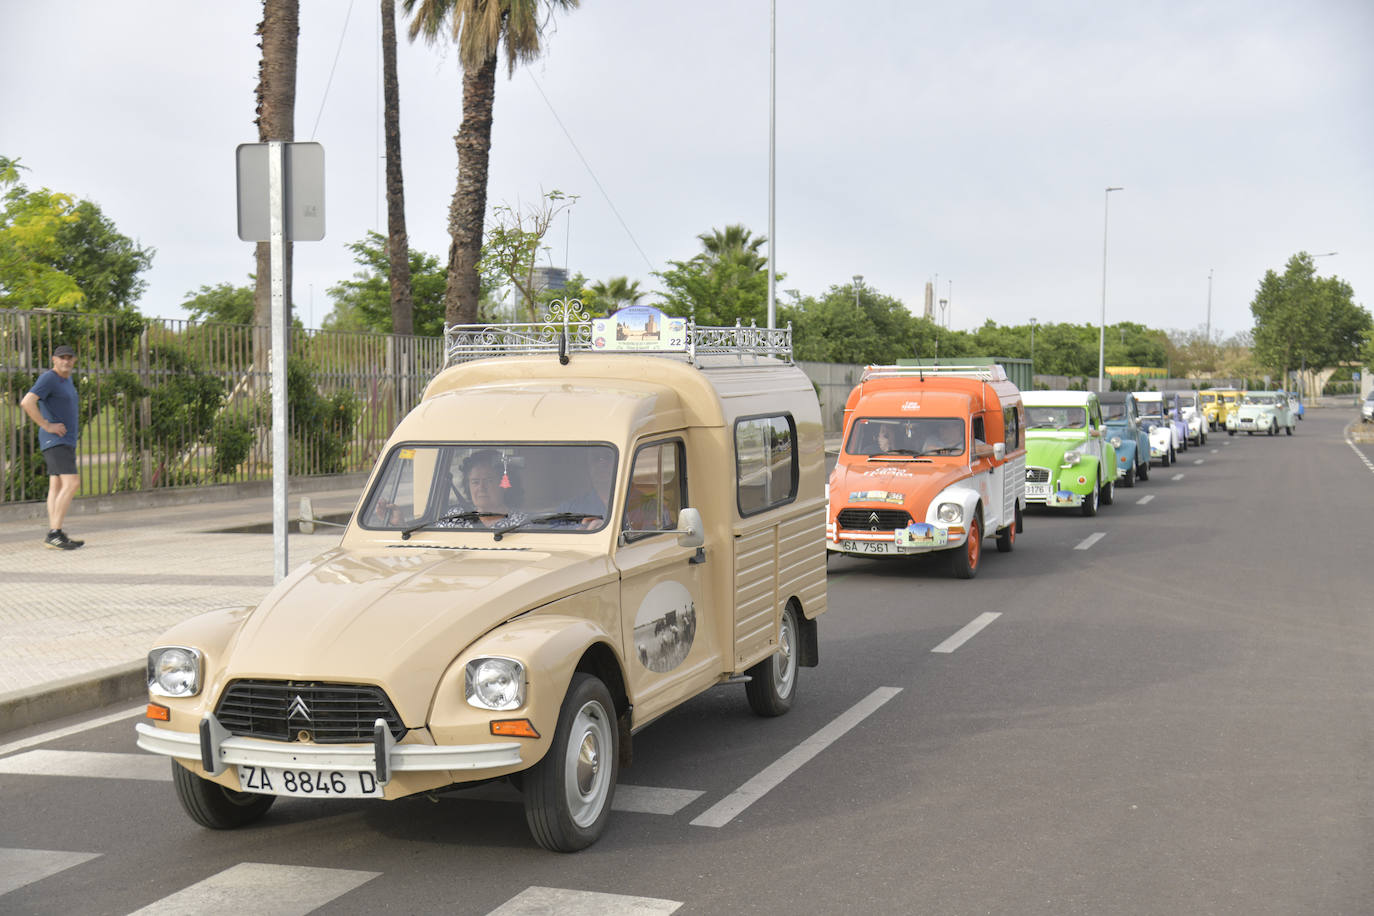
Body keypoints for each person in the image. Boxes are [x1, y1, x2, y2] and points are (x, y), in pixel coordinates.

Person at [20, 345, 84, 550]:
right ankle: (54, 533)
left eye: (69, 357)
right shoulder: (49, 378)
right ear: (53, 359)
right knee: (72, 483)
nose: (66, 361)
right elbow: (27, 402)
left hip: (65, 441)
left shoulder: (67, 380)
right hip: (56, 440)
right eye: (61, 357)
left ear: (74, 360)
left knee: (56, 485)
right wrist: (47, 425)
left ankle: (56, 532)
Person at [436, 449, 528, 529]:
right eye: (475, 482)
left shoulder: (522, 523)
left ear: (505, 484)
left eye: (489, 481)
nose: (481, 488)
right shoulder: (455, 516)